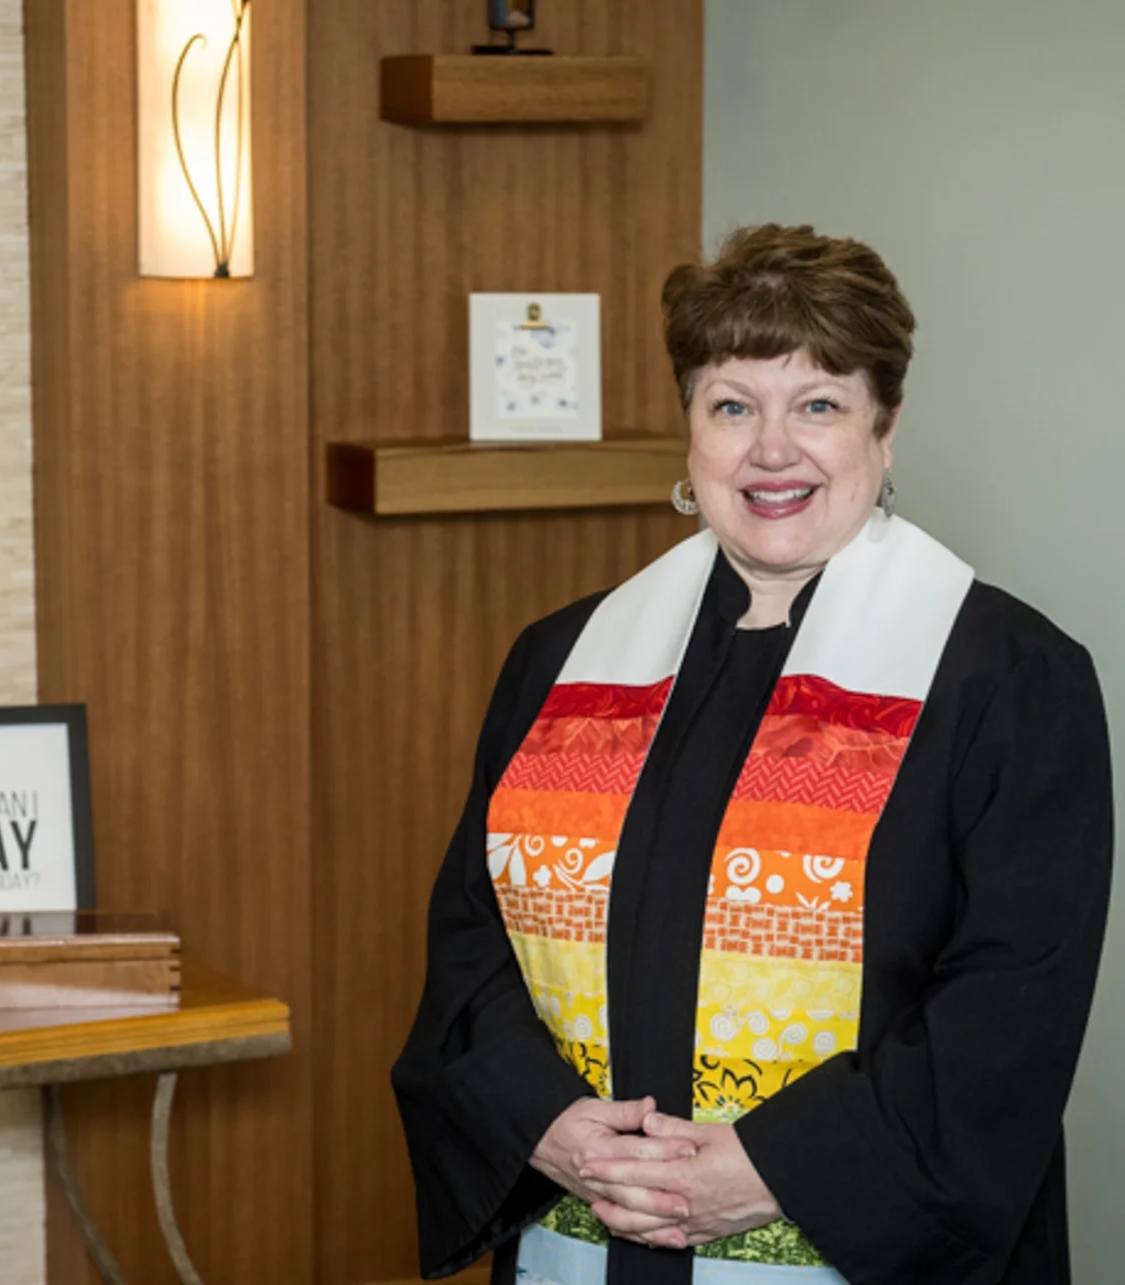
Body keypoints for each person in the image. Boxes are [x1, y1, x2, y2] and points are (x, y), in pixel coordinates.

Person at [392, 224, 1113, 1285]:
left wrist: (776, 1165)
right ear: (689, 431)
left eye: (818, 404)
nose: (773, 449)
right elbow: (472, 939)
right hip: (582, 1238)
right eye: (733, 405)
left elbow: (1010, 1008)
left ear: (887, 423)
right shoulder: (563, 662)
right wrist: (545, 1124)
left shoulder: (1006, 678)